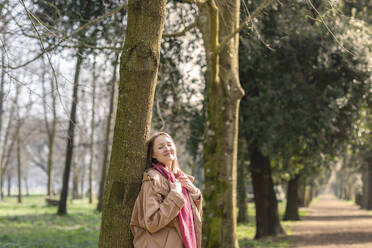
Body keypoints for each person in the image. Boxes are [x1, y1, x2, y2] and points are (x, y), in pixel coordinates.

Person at [130, 132, 202, 248]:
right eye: (161, 147)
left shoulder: (180, 177)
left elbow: (192, 220)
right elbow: (152, 222)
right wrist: (174, 195)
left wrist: (195, 193)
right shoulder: (152, 179)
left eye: (169, 144)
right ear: (153, 155)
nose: (167, 149)